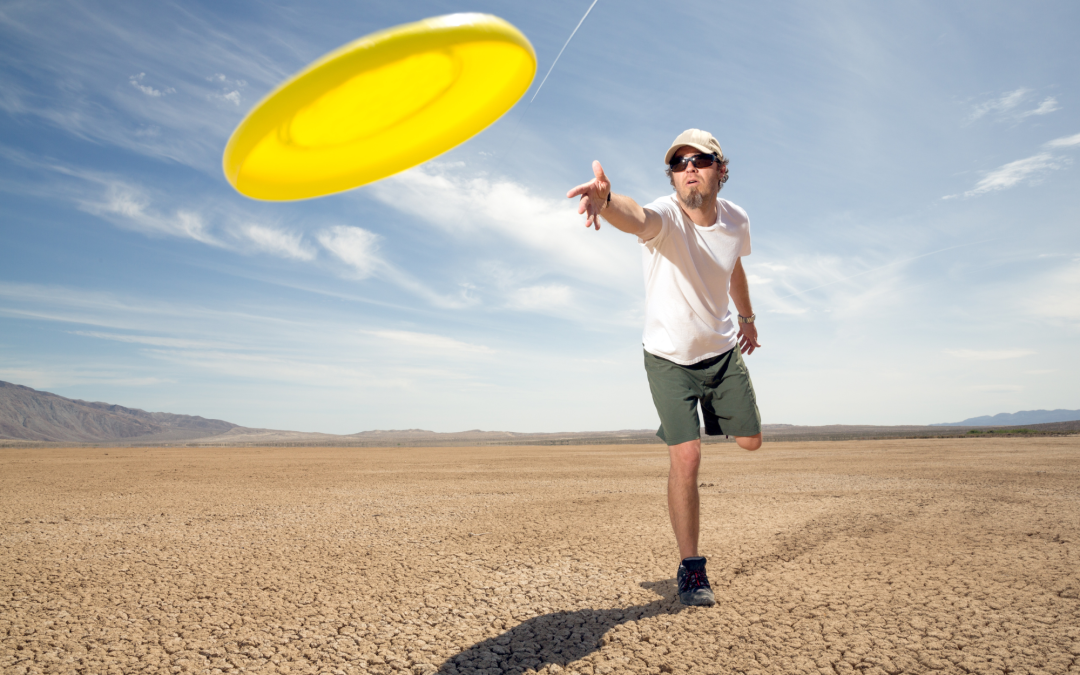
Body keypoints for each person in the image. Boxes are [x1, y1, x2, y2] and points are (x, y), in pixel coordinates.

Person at [567, 129, 763, 607]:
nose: (689, 167)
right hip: (667, 358)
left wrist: (747, 317)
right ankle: (692, 570)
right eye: (679, 163)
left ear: (721, 168)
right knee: (687, 456)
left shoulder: (737, 220)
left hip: (720, 352)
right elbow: (637, 218)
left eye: (700, 159)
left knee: (751, 442)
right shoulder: (666, 217)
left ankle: (717, 408)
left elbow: (734, 265)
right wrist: (607, 199)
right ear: (673, 177)